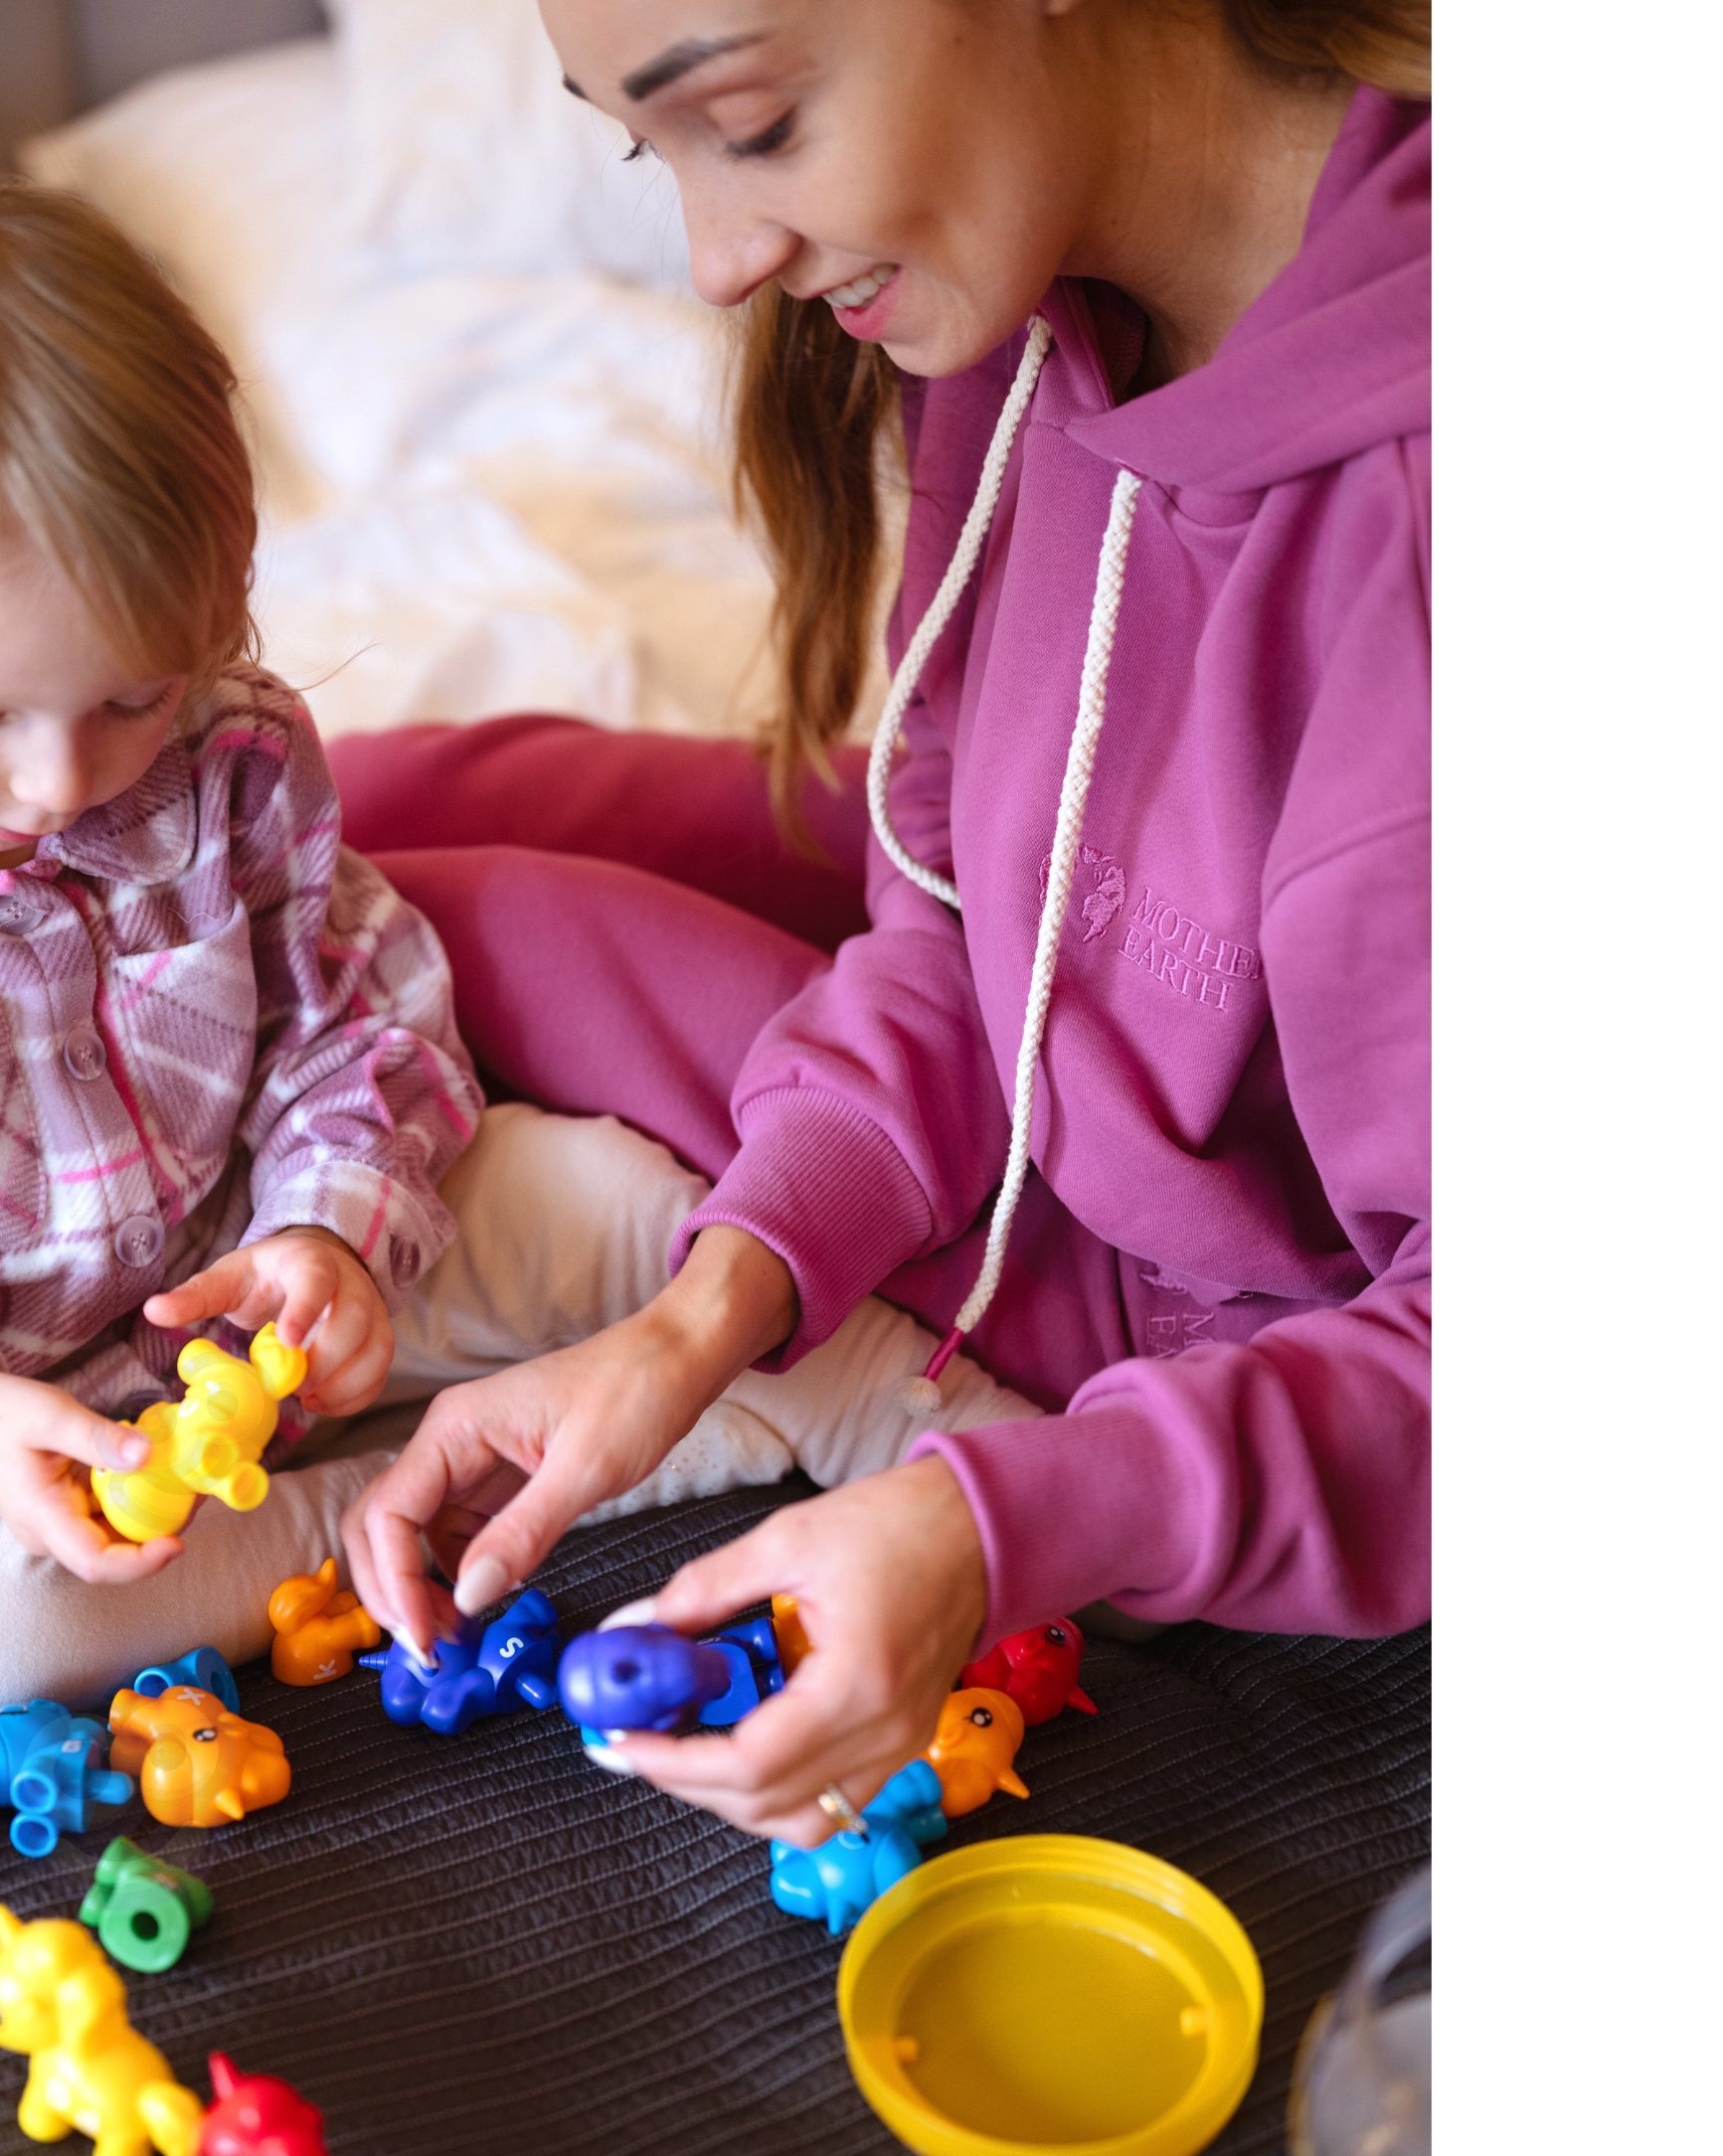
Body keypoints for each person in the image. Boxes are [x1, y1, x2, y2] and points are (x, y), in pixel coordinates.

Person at [0, 164, 1030, 1717]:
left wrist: (328, 1229)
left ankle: (965, 1448)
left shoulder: (230, 755)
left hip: (282, 1273)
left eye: (129, 697)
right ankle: (531, 1487)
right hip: (22, 1425)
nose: (58, 784)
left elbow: (359, 1017)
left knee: (599, 1191)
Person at [340, 0, 1432, 1850]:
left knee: (435, 919)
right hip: (1072, 976)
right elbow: (938, 910)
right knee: (360, 802)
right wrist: (704, 1314)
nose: (715, 264)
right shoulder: (1023, 291)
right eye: (646, 148)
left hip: (1250, 1329)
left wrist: (983, 1524)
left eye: (753, 121)